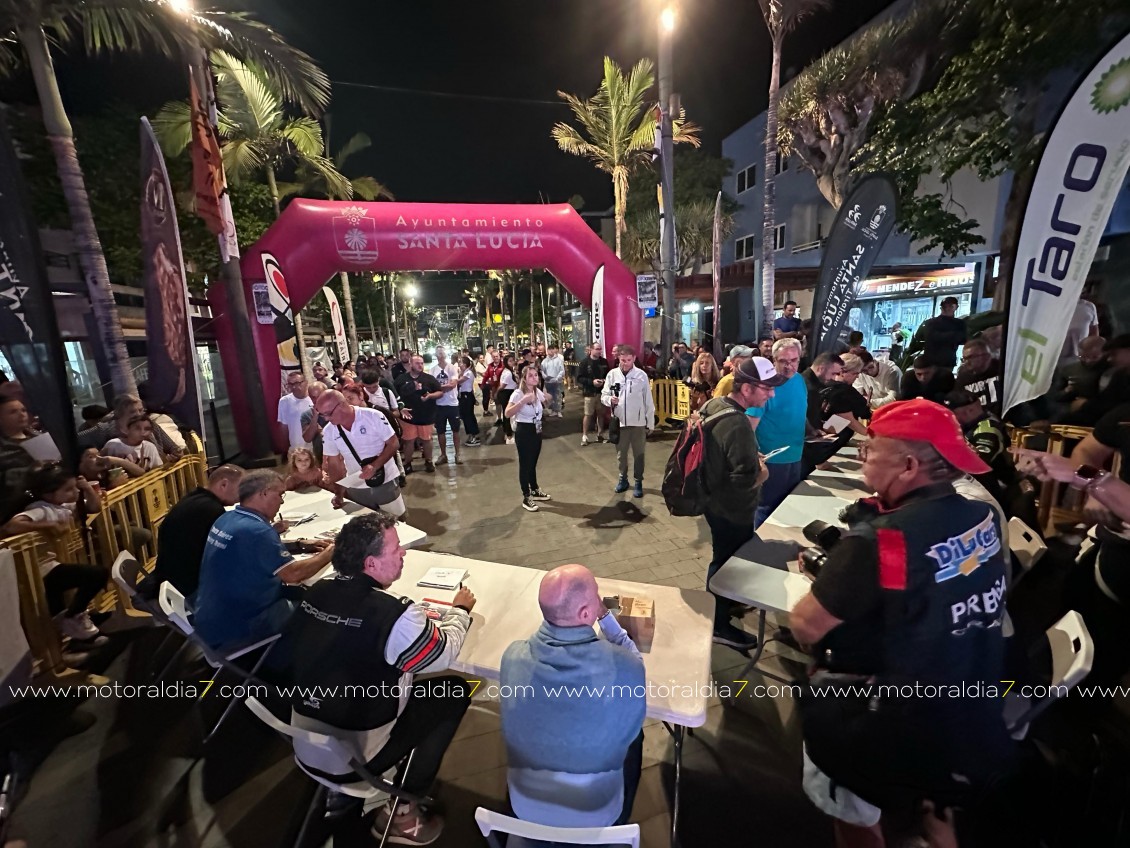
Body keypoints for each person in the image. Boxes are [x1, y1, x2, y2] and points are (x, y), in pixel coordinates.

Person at [790, 399, 1010, 847]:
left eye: (871, 448)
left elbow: (806, 626)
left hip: (885, 714)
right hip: (966, 702)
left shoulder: (879, 540)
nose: (862, 455)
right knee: (936, 808)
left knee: (853, 816)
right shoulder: (982, 516)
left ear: (908, 466)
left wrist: (835, 576)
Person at [286, 512, 474, 845]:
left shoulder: (316, 592)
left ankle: (347, 800)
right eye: (396, 549)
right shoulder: (396, 615)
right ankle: (405, 806)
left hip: (304, 742)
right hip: (356, 756)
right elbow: (442, 653)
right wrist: (460, 612)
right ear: (371, 564)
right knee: (452, 691)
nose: (403, 554)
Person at [500, 564, 645, 827]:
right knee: (636, 735)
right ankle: (621, 821)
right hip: (598, 810)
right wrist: (606, 618)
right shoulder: (623, 667)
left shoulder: (513, 656)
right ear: (586, 612)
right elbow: (634, 659)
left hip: (523, 803)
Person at [192, 470, 334, 652]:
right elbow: (293, 575)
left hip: (211, 618)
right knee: (321, 606)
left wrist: (300, 544)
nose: (282, 501)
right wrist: (330, 553)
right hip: (236, 628)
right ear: (264, 493)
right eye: (280, 494)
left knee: (303, 594)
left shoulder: (227, 518)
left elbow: (254, 548)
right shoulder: (257, 531)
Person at [700, 357, 785, 648]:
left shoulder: (716, 405)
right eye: (767, 388)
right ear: (747, 388)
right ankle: (719, 624)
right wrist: (762, 471)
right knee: (727, 565)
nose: (771, 394)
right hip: (731, 509)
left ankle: (721, 611)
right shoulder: (737, 423)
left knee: (723, 560)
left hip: (714, 503)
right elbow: (742, 481)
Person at [1, 464, 107, 644]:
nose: (74, 492)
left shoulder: (61, 505)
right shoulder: (40, 508)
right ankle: (74, 617)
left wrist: (87, 488)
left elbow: (94, 507)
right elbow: (10, 526)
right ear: (48, 494)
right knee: (96, 574)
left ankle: (75, 627)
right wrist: (48, 526)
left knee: (61, 607)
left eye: (74, 487)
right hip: (39, 571)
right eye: (68, 489)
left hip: (54, 564)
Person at [136, 464, 244, 601]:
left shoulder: (195, 498)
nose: (243, 495)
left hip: (168, 578)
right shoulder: (211, 510)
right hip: (186, 589)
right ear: (223, 484)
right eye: (241, 488)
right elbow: (224, 553)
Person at [316, 390, 405, 517]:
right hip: (356, 486)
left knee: (396, 521)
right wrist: (339, 492)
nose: (326, 418)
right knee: (365, 526)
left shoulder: (373, 416)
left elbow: (394, 443)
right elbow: (334, 465)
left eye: (328, 414)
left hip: (385, 480)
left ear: (341, 405)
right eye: (322, 415)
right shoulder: (329, 431)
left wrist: (374, 466)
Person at [748, 339, 807, 527]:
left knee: (786, 507)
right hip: (771, 459)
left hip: (796, 455)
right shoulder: (764, 386)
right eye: (783, 361)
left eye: (794, 360)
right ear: (773, 360)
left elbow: (800, 410)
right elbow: (748, 427)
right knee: (766, 509)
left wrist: (815, 431)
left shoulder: (799, 380)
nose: (789, 366)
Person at [602, 346, 655, 499]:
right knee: (621, 454)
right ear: (618, 358)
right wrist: (609, 400)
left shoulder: (641, 375)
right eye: (623, 360)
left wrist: (649, 422)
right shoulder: (612, 375)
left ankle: (638, 481)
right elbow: (604, 394)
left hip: (638, 423)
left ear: (634, 359)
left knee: (639, 454)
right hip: (619, 422)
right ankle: (623, 478)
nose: (626, 363)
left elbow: (648, 400)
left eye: (629, 360)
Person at [941, 390, 1013, 501]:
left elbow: (979, 462)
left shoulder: (988, 429)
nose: (948, 418)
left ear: (969, 411)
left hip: (995, 492)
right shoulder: (966, 426)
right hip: (972, 488)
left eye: (952, 414)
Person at [506, 365, 552, 512]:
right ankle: (526, 496)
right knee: (525, 464)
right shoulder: (518, 394)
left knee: (533, 462)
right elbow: (507, 413)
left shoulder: (536, 391)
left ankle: (535, 488)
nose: (535, 378)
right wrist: (522, 401)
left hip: (536, 429)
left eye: (536, 375)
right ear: (524, 379)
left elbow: (546, 403)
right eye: (531, 376)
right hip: (524, 430)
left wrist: (548, 398)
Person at [79, 392, 181, 458]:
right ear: (119, 413)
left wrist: (176, 454)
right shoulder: (104, 429)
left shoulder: (150, 425)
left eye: (141, 410)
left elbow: (172, 447)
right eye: (132, 412)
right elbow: (75, 441)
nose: (138, 414)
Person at [395, 355, 445, 473]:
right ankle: (407, 463)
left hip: (426, 416)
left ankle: (428, 461)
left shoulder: (429, 379)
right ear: (410, 364)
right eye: (417, 363)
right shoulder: (401, 379)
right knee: (409, 441)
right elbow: (394, 396)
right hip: (408, 417)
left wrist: (430, 396)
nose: (420, 365)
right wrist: (400, 407)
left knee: (427, 440)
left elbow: (440, 392)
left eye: (422, 363)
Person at [0, 395, 45, 523]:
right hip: (15, 513)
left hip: (52, 504)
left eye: (23, 410)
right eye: (13, 412)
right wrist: (30, 472)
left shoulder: (39, 438)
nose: (21, 414)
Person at [428, 347, 463, 466]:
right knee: (440, 431)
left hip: (452, 404)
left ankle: (457, 454)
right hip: (438, 405)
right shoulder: (432, 370)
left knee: (456, 430)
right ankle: (443, 455)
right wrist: (441, 389)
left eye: (442, 353)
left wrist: (438, 388)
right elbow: (431, 387)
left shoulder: (452, 368)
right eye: (439, 353)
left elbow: (453, 384)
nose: (441, 355)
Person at [955, 339, 1002, 416]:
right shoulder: (963, 377)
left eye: (970, 357)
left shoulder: (1002, 369)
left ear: (986, 356)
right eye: (964, 359)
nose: (967, 362)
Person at [918, 296, 966, 369]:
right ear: (941, 308)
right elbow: (932, 337)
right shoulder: (931, 323)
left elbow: (963, 338)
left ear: (956, 307)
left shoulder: (959, 323)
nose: (947, 308)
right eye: (945, 306)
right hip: (931, 362)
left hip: (947, 362)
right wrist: (954, 335)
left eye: (950, 306)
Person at [576, 344, 609, 446]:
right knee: (588, 414)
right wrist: (592, 382)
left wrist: (604, 381)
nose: (599, 351)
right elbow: (579, 378)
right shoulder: (584, 362)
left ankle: (600, 434)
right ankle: (585, 435)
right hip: (589, 393)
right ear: (591, 350)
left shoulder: (604, 362)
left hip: (602, 393)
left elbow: (608, 375)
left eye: (600, 349)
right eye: (597, 349)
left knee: (601, 414)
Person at [277, 371, 314, 450]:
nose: (294, 387)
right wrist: (285, 447)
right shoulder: (284, 401)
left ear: (306, 382)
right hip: (296, 448)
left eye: (297, 383)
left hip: (315, 446)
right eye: (291, 384)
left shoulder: (314, 398)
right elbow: (284, 426)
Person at [1059, 296, 1100, 367]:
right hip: (1054, 358)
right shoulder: (1053, 305)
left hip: (1078, 361)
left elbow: (1094, 335)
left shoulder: (1089, 306)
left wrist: (1090, 355)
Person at [456, 355, 482, 447]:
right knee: (465, 415)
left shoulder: (468, 373)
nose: (459, 365)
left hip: (466, 396)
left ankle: (473, 435)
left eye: (460, 363)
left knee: (468, 416)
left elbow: (458, 381)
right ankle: (472, 435)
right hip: (464, 396)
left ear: (465, 364)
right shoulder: (464, 372)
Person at [495, 353, 520, 445]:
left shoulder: (509, 371)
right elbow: (502, 386)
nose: (512, 362)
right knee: (508, 414)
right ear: (506, 362)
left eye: (513, 360)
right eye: (510, 361)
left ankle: (507, 432)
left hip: (508, 392)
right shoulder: (507, 373)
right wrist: (496, 393)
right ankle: (508, 434)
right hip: (506, 393)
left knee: (507, 413)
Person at [301, 381, 330, 462]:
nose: (317, 399)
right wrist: (315, 417)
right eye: (313, 397)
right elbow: (307, 438)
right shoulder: (306, 415)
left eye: (319, 396)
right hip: (321, 456)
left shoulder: (336, 410)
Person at [541, 343, 566, 417]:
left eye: (552, 350)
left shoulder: (558, 360)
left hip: (557, 381)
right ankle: (553, 410)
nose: (551, 352)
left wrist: (558, 377)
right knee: (550, 396)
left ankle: (558, 410)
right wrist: (545, 377)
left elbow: (562, 370)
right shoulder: (545, 361)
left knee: (558, 396)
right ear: (547, 351)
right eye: (549, 350)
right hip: (548, 381)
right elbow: (542, 370)